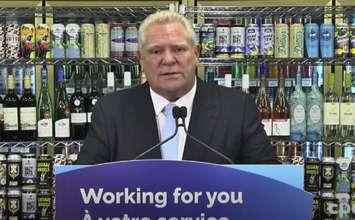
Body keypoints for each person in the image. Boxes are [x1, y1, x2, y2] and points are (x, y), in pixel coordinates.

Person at [76, 10, 277, 165]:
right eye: (156, 51)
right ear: (141, 59)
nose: (168, 60)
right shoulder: (111, 110)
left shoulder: (237, 107)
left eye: (178, 49)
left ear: (196, 54)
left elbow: (271, 183)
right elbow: (82, 185)